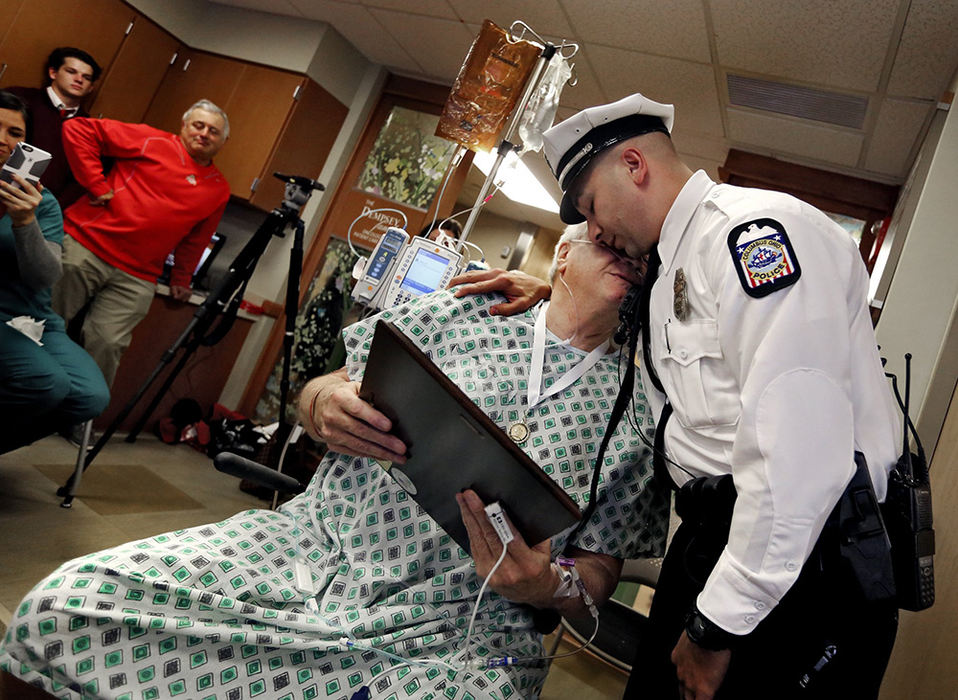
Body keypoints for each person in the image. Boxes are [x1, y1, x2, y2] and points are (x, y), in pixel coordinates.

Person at [0, 224, 669, 698]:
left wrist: (543, 589)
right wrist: (322, 405)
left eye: (642, 252)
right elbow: (326, 386)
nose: (628, 255)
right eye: (609, 237)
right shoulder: (461, 311)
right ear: (561, 256)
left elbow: (602, 566)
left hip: (462, 622)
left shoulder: (639, 415)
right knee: (68, 606)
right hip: (310, 549)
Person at [460, 92, 903, 699]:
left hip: (793, 563)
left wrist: (715, 628)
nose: (594, 230)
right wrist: (553, 290)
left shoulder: (754, 236)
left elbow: (796, 459)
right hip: (716, 542)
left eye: (590, 207)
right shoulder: (675, 262)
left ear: (634, 166)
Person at [51, 100, 231, 391]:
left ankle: (78, 414)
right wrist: (96, 184)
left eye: (214, 131)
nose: (204, 134)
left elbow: (197, 238)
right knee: (45, 319)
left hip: (138, 275)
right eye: (198, 125)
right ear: (184, 126)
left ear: (223, 141)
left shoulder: (218, 188)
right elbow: (77, 129)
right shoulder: (152, 140)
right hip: (87, 246)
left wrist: (181, 279)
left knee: (108, 343)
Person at [0, 91, 108, 452]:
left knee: (90, 396)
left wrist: (25, 221)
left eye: (14, 133)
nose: (3, 140)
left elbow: (45, 276)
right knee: (46, 382)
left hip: (30, 316)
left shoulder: (40, 201)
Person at [6, 47, 102, 209]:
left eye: (86, 77)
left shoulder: (90, 130)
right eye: (72, 71)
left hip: (38, 209)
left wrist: (53, 208)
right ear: (53, 73)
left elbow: (83, 178)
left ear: (91, 87)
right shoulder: (18, 97)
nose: (79, 79)